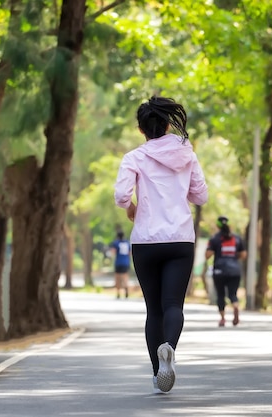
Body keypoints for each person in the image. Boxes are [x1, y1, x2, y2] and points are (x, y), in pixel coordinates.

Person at [114, 96, 208, 394]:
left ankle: (158, 374)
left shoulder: (134, 157)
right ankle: (169, 347)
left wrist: (131, 207)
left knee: (153, 310)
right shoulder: (187, 156)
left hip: (146, 241)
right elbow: (201, 196)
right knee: (173, 306)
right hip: (180, 239)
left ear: (141, 129)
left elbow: (121, 195)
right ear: (168, 125)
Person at [205, 216, 247, 327]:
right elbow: (243, 255)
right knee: (233, 293)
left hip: (219, 270)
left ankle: (223, 319)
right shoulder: (237, 238)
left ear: (217, 226)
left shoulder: (215, 239)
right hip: (234, 270)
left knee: (220, 294)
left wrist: (215, 251)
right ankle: (236, 306)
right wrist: (233, 257)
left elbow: (207, 255)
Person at [109, 231, 131, 299]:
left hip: (118, 262)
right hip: (126, 262)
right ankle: (126, 289)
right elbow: (130, 253)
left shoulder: (116, 243)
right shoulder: (127, 243)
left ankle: (118, 293)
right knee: (125, 277)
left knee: (117, 278)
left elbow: (113, 252)